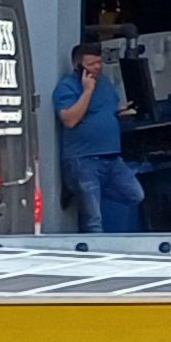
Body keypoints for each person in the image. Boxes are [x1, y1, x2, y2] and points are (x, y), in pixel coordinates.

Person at [53, 38, 143, 235]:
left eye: (99, 62)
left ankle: (80, 191)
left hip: (111, 157)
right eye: (91, 64)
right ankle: (79, 190)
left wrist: (121, 111)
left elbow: (106, 109)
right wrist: (87, 91)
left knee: (135, 194)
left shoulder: (106, 84)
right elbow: (70, 120)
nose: (97, 67)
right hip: (84, 159)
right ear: (78, 66)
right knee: (94, 221)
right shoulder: (67, 87)